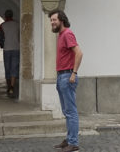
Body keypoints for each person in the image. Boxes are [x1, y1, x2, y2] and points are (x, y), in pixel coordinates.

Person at [49, 10, 83, 152]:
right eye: (51, 20)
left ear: (61, 20)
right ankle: (69, 140)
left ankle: (73, 143)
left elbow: (79, 53)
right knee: (66, 111)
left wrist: (74, 73)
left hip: (67, 76)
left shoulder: (67, 34)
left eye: (54, 20)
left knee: (71, 111)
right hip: (61, 76)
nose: (52, 22)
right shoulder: (61, 35)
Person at [0, 9, 20, 98]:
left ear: (5, 16)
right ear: (12, 15)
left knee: (7, 67)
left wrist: (2, 45)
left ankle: (8, 85)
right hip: (16, 48)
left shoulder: (2, 25)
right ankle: (12, 86)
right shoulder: (17, 24)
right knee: (14, 67)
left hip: (7, 49)